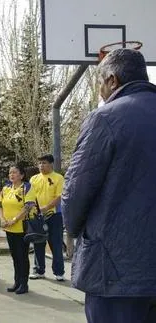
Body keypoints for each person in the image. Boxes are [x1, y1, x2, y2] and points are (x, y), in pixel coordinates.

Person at [62, 48, 156, 323]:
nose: (100, 92)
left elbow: (75, 194)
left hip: (116, 271)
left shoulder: (105, 118)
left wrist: (73, 229)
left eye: (100, 83)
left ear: (112, 80)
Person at [0, 165, 35, 294]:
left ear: (22, 175)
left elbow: (28, 206)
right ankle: (17, 281)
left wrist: (15, 219)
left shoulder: (27, 187)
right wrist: (2, 219)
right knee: (14, 256)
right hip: (9, 228)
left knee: (22, 256)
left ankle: (24, 283)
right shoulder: (6, 188)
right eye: (10, 173)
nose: (11, 175)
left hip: (21, 227)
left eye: (14, 172)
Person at [29, 154, 65, 281]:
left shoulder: (58, 178)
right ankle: (39, 270)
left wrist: (46, 208)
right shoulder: (34, 179)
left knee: (55, 244)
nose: (41, 166)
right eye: (39, 163)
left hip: (54, 216)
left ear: (51, 164)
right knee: (38, 243)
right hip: (37, 217)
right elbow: (29, 196)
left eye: (44, 163)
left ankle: (59, 272)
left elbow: (59, 196)